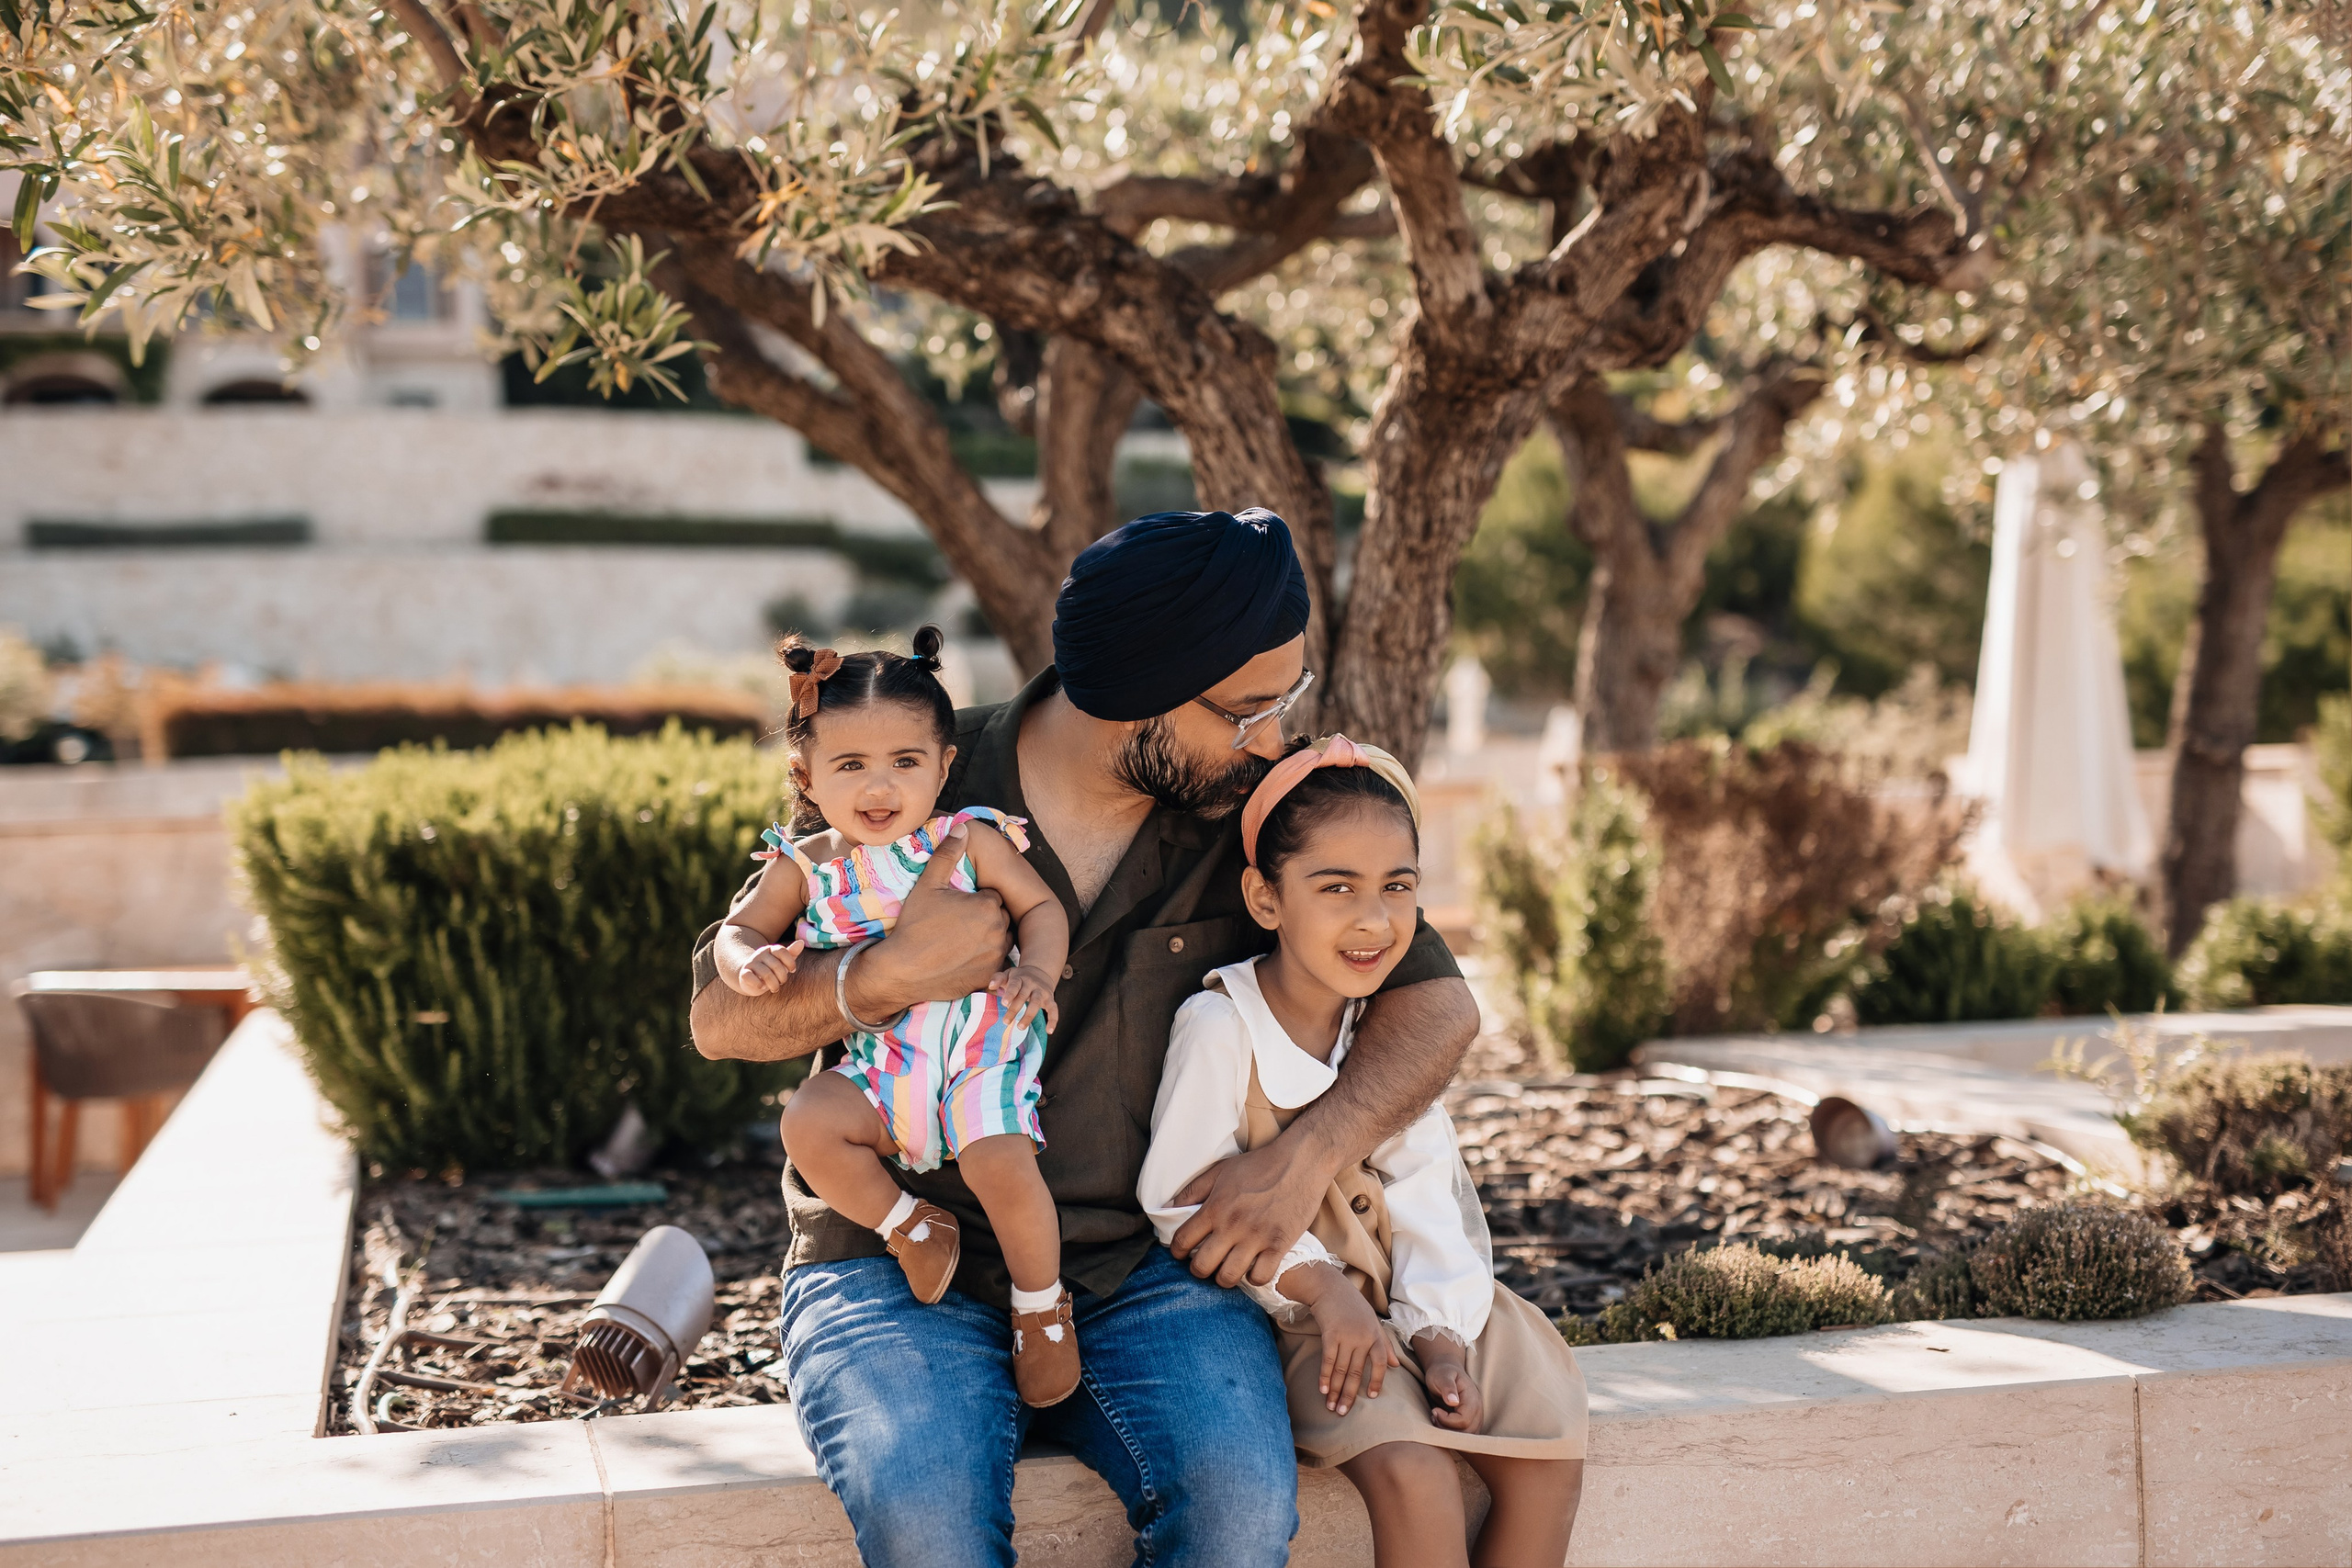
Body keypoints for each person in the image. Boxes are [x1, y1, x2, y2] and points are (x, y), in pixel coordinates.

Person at [689, 507, 1481, 1568]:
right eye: (1247, 710)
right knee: (926, 1524)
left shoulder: (1252, 816)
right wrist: (880, 975)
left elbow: (1439, 1007)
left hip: (1147, 1267)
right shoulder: (910, 771)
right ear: (1137, 695)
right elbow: (719, 1019)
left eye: (1281, 705)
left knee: (1241, 1509)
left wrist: (1304, 1159)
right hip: (899, 1254)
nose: (1273, 741)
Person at [1139, 736, 1587, 1568]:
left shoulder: (1381, 1032)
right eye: (1335, 886)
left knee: (1547, 1458)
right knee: (1416, 1474)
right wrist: (1324, 1291)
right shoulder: (1221, 1026)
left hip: (1421, 1290)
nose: (1373, 918)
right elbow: (1182, 1198)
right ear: (1266, 899)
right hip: (1303, 1313)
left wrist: (1439, 1334)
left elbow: (1426, 1189)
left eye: (1398, 886)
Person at [710, 626, 1080, 1406]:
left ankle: (1041, 1308)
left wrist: (1040, 969)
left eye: (905, 763)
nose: (880, 789)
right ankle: (910, 1222)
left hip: (978, 1049)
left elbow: (1040, 905)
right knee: (808, 1120)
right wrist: (749, 961)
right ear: (805, 774)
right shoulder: (805, 864)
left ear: (944, 766)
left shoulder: (968, 837)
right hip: (885, 1065)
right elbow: (738, 931)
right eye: (851, 766)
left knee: (1003, 1170)